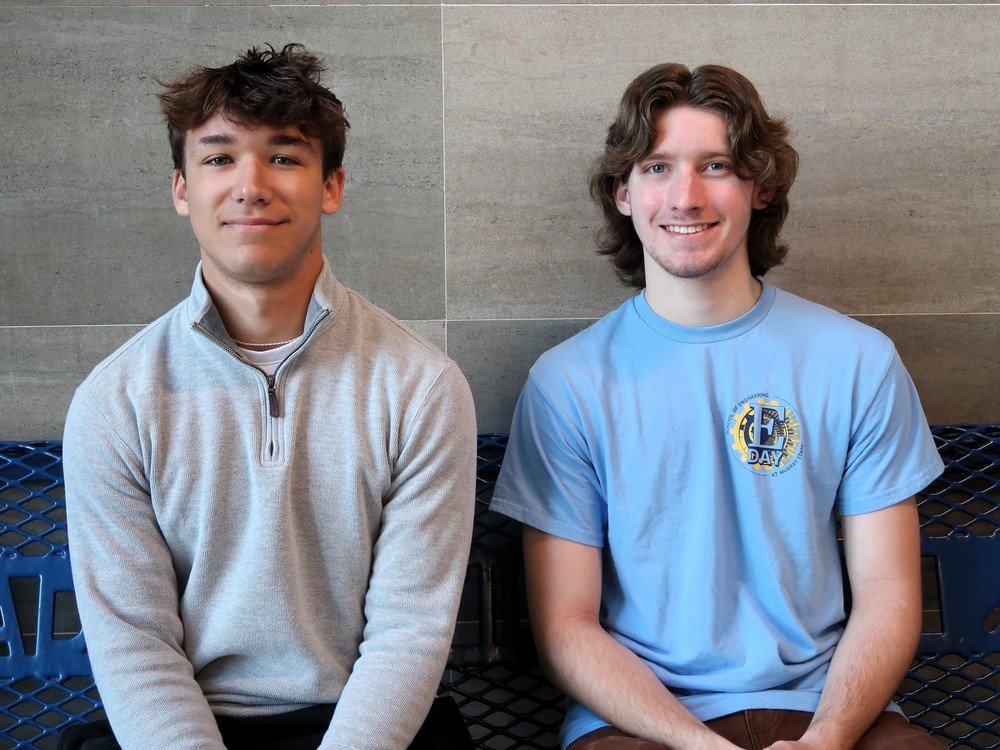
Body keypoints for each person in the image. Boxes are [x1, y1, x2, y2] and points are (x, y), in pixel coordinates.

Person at [490, 63, 945, 750]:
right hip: (639, 724)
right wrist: (700, 746)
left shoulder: (857, 361)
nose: (685, 196)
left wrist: (827, 739)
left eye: (717, 166)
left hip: (832, 714)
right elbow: (565, 628)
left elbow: (888, 596)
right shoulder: (568, 382)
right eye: (656, 168)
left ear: (760, 187)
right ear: (622, 192)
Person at [62, 43, 476, 750]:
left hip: (362, 724)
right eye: (219, 158)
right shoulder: (116, 400)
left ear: (331, 187)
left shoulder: (420, 385)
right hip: (184, 726)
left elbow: (409, 632)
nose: (250, 185)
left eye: (284, 157)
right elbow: (135, 643)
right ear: (181, 189)